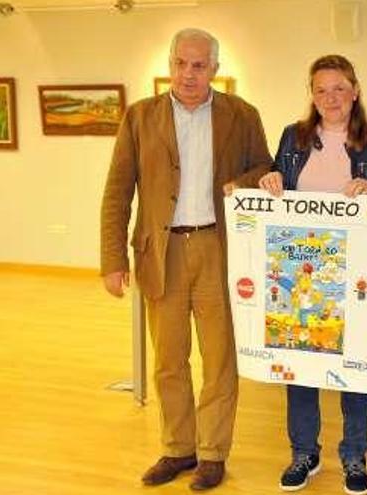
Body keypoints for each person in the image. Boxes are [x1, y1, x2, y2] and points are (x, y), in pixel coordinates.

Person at [100, 28, 273, 490]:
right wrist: (112, 258)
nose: (189, 73)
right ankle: (178, 448)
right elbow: (118, 192)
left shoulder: (242, 114)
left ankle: (213, 453)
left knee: (219, 360)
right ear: (171, 64)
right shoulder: (140, 117)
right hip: (162, 252)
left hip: (219, 249)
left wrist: (246, 180)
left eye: (199, 65)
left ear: (215, 69)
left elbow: (266, 167)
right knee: (168, 360)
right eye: (181, 63)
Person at [258, 54, 367, 495]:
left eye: (339, 88)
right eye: (321, 90)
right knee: (300, 367)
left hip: (356, 279)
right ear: (312, 95)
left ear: (355, 91)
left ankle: (354, 454)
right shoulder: (291, 137)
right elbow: (275, 180)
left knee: (355, 366)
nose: (330, 98)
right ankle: (304, 452)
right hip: (302, 277)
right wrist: (269, 178)